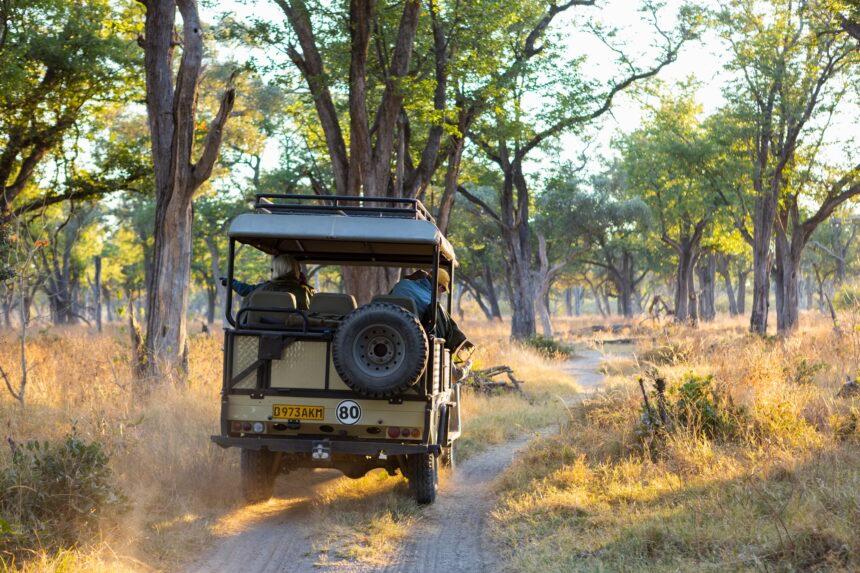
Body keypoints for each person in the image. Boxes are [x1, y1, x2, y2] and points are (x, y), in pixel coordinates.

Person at [389, 268, 472, 356]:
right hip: (410, 335)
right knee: (443, 318)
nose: (441, 292)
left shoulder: (402, 284)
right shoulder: (430, 301)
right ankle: (458, 348)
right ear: (440, 287)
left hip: (384, 324)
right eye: (443, 289)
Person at [231, 253, 314, 310]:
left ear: (275, 270)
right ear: (297, 270)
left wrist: (232, 282)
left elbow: (245, 290)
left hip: (264, 332)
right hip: (298, 333)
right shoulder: (307, 292)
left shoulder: (262, 289)